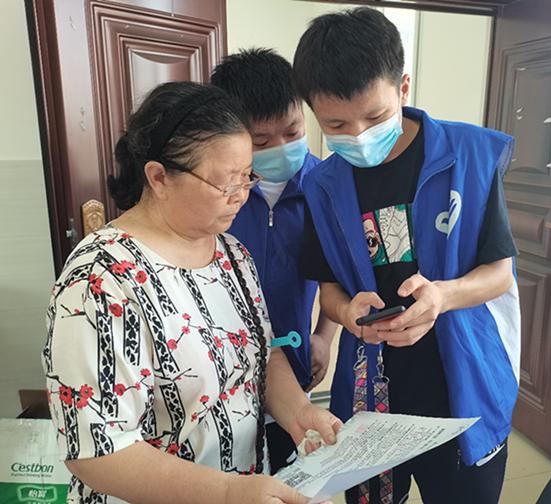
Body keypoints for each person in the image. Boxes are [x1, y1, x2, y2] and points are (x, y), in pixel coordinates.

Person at [41, 82, 340, 504]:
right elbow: (97, 451)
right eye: (226, 184)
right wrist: (227, 492)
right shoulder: (99, 280)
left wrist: (299, 412)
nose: (241, 197)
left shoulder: (231, 254)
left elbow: (263, 354)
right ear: (159, 177)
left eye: (247, 177)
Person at [292, 8, 521, 503]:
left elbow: (499, 273)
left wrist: (442, 296)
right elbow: (328, 288)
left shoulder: (469, 155)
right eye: (336, 124)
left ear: (403, 88)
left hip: (462, 386)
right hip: (370, 394)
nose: (358, 135)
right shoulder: (323, 185)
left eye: (375, 117)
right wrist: (346, 314)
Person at [211, 48, 338, 473]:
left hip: (294, 367)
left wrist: (324, 336)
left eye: (292, 131)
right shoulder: (217, 196)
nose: (281, 149)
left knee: (288, 474)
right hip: (222, 377)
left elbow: (339, 274)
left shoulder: (326, 187)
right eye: (262, 142)